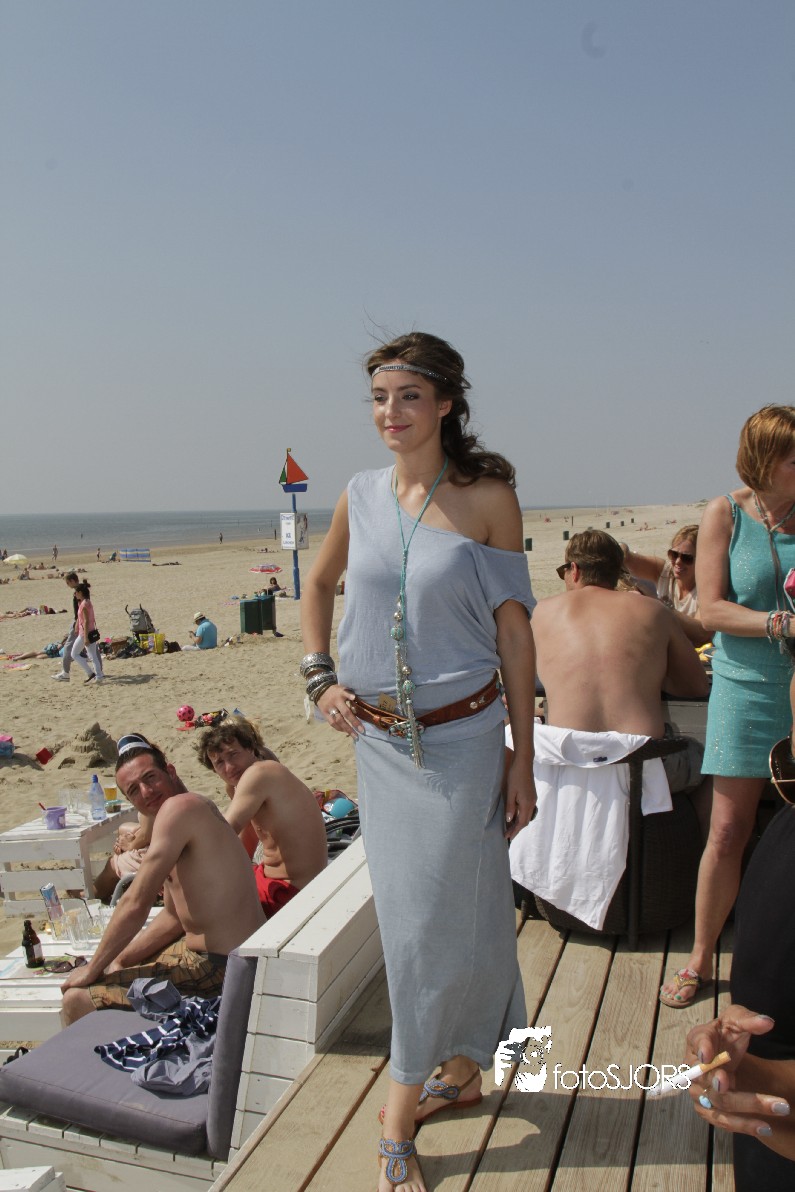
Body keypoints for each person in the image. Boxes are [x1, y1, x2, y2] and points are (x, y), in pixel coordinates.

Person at [300, 331, 537, 1192]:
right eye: (377, 398)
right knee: (438, 920)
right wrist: (318, 676)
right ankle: (465, 1068)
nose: (389, 412)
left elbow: (515, 636)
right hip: (379, 750)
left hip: (464, 745)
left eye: (406, 396)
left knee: (434, 924)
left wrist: (523, 757)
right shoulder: (358, 494)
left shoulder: (489, 499)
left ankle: (398, 1110)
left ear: (444, 403)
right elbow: (317, 584)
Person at [660, 405, 795, 1009]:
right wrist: (780, 623)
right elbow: (710, 609)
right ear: (763, 462)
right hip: (744, 689)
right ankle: (701, 955)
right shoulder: (725, 513)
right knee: (727, 830)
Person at [60, 733, 265, 1023]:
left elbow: (136, 902)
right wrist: (121, 959)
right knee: (117, 966)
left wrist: (92, 968)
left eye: (150, 778)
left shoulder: (178, 809)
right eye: (134, 790)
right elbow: (173, 915)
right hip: (228, 957)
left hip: (223, 970)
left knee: (76, 999)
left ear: (170, 771)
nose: (146, 792)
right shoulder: (192, 807)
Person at [196, 715, 327, 916]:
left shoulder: (258, 773)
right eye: (219, 762)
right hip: (280, 882)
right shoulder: (245, 782)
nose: (229, 767)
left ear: (250, 748)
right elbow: (245, 842)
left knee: (203, 908)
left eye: (233, 754)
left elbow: (224, 833)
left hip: (290, 892)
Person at [623, 525, 708, 646]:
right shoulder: (664, 571)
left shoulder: (707, 587)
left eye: (687, 558)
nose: (678, 562)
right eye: (674, 554)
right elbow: (628, 558)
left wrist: (661, 606)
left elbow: (702, 633)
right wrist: (620, 548)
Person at [92, 812, 155, 902]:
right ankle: (123, 884)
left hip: (160, 854)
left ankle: (92, 894)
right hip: (163, 840)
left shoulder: (152, 804)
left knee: (112, 864)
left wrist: (130, 845)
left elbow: (147, 835)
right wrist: (127, 839)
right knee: (123, 829)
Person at [52, 572, 84, 682]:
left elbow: (81, 609)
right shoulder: (83, 589)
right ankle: (99, 672)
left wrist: (77, 623)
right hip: (83, 621)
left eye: (67, 583)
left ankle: (65, 673)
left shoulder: (79, 591)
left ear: (72, 581)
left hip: (78, 621)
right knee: (91, 647)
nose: (67, 585)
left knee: (68, 647)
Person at [71, 582, 104, 684]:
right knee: (91, 655)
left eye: (76, 592)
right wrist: (77, 626)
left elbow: (86, 621)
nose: (75, 594)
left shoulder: (84, 604)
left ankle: (95, 675)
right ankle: (95, 675)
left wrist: (85, 637)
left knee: (76, 654)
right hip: (89, 631)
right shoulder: (86, 602)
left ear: (80, 592)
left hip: (85, 633)